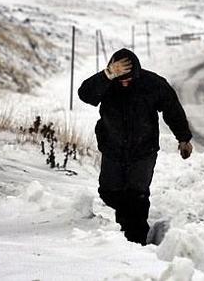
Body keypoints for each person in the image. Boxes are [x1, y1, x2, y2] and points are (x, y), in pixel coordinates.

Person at [78, 48, 193, 245]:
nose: (124, 83)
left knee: (137, 196)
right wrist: (107, 75)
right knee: (109, 191)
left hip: (143, 150)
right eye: (120, 79)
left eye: (128, 79)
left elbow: (172, 109)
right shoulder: (106, 83)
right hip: (112, 149)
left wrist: (183, 138)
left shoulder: (152, 83)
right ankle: (127, 224)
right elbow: (85, 95)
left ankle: (137, 242)